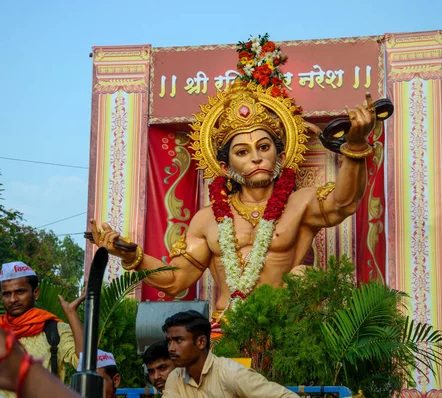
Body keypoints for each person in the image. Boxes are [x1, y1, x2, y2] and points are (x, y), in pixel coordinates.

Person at [89, 36, 378, 327]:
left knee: (303, 279)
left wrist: (354, 146)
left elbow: (344, 202)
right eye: (243, 152)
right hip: (227, 330)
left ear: (278, 153)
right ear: (226, 167)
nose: (256, 158)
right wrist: (132, 256)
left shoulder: (300, 203)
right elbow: (177, 280)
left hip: (285, 333)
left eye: (264, 147)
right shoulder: (207, 220)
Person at [0, 261, 84, 397]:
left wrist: (72, 314)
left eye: (20, 292)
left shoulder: (55, 331)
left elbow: (85, 362)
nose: (13, 299)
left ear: (35, 293)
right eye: (7, 294)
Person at [160, 310, 298, 398]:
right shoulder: (175, 377)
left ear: (201, 342)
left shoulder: (230, 373)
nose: (171, 348)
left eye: (179, 340)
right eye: (169, 342)